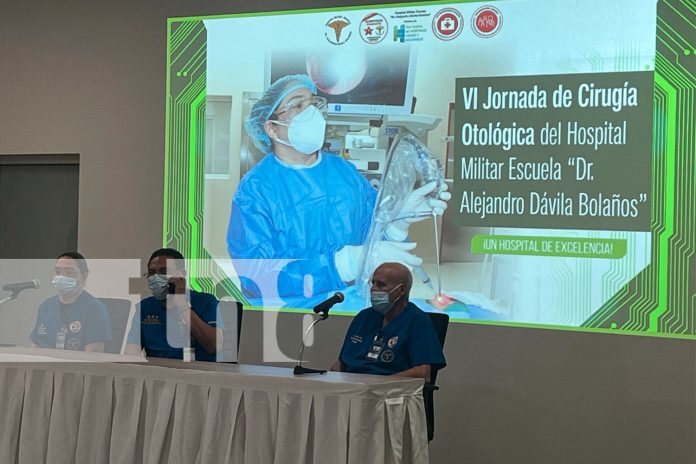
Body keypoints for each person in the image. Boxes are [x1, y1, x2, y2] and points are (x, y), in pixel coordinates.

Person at [227, 73, 449, 308]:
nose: (311, 111)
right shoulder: (256, 191)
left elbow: (372, 236)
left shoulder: (344, 173)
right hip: (288, 317)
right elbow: (256, 276)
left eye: (314, 102)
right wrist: (342, 264)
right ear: (271, 128)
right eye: (298, 105)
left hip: (352, 306)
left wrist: (396, 223)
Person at [331, 262, 446, 383]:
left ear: (402, 290)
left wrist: (380, 384)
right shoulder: (363, 317)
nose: (373, 289)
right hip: (352, 387)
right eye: (373, 283)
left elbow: (423, 373)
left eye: (381, 285)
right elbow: (341, 363)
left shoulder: (417, 321)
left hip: (389, 391)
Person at [124, 248, 223, 361]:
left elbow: (215, 346)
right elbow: (132, 349)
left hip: (199, 374)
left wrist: (182, 305)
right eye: (151, 273)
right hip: (157, 373)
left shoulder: (206, 302)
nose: (155, 278)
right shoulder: (145, 307)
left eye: (164, 271)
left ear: (181, 274)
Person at [30, 251, 111, 352]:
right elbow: (35, 348)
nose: (61, 277)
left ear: (83, 276)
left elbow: (92, 358)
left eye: (68, 272)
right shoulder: (45, 306)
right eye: (57, 272)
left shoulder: (95, 309)